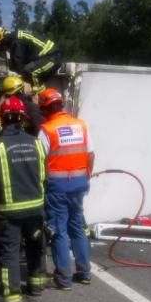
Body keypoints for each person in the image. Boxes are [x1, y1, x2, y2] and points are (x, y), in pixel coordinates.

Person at [0, 96, 48, 302]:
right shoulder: (36, 143)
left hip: (9, 212)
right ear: (23, 119)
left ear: (3, 118)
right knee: (35, 245)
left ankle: (12, 300)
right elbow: (44, 176)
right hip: (36, 208)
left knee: (9, 253)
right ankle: (36, 283)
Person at [37, 88, 94, 290]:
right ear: (61, 104)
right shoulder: (80, 125)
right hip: (80, 183)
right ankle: (85, 272)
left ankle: (64, 278)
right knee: (77, 226)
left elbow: (41, 160)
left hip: (57, 186)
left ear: (44, 108)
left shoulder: (47, 129)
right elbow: (90, 154)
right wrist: (86, 176)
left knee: (59, 230)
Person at [0, 28, 63, 93]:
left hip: (52, 57)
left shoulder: (16, 41)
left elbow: (17, 63)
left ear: (2, 41)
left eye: (0, 48)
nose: (3, 50)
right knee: (26, 71)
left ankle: (39, 96)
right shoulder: (16, 38)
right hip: (46, 57)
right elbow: (16, 63)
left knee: (30, 71)